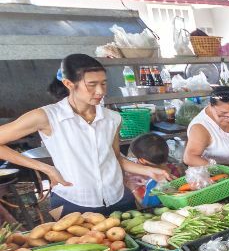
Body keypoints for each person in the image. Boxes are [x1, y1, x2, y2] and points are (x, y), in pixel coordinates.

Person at [0, 54, 173, 216]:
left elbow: (115, 158)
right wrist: (46, 168)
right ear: (69, 84)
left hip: (118, 198)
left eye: (104, 83)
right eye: (92, 84)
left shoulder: (112, 118)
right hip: (73, 202)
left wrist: (149, 171)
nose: (100, 91)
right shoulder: (46, 117)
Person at [183, 87, 229, 167]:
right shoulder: (200, 127)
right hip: (212, 175)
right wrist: (219, 170)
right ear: (210, 106)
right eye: (223, 113)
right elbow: (189, 158)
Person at [125, 133, 184, 207]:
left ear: (142, 160)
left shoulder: (154, 182)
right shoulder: (174, 169)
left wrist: (133, 190)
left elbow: (148, 207)